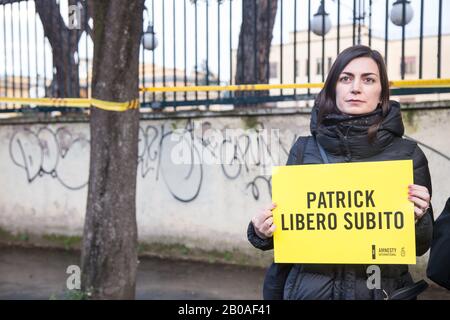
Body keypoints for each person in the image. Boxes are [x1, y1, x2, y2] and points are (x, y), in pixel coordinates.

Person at [247, 45, 433, 300]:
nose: (356, 87)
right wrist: (260, 231)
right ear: (334, 88)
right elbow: (287, 228)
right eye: (346, 78)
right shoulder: (303, 150)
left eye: (368, 79)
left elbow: (421, 246)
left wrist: (420, 218)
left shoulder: (408, 155)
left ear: (382, 94)